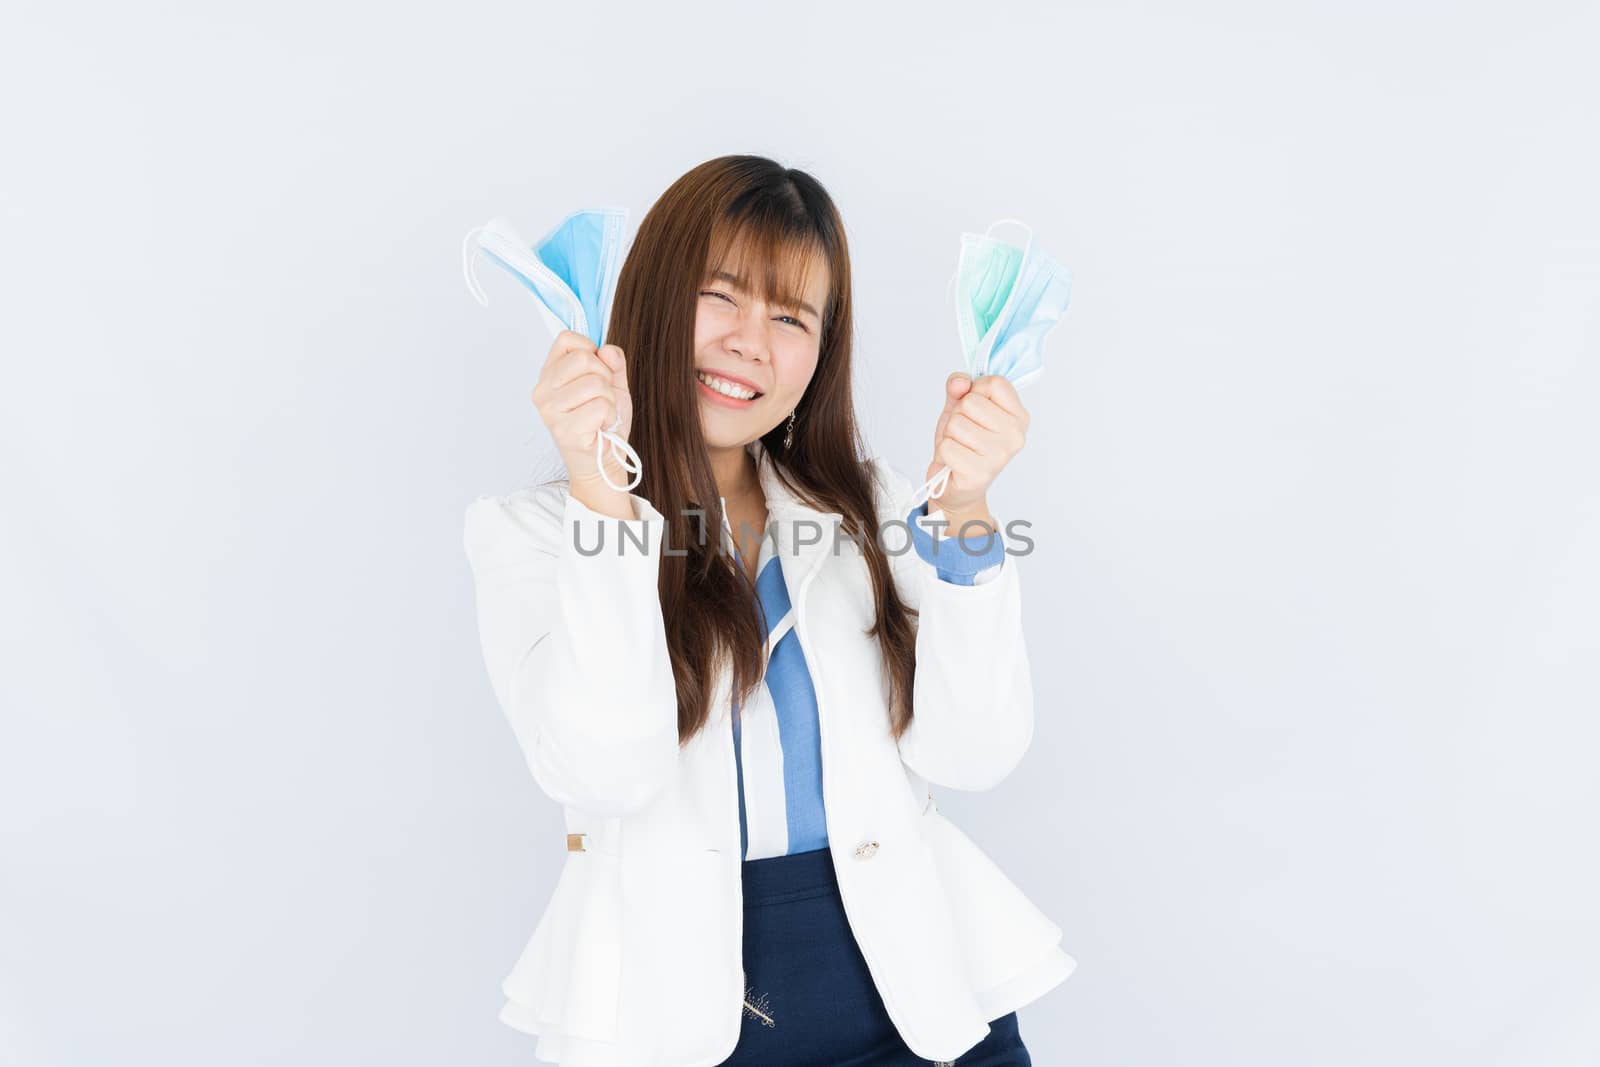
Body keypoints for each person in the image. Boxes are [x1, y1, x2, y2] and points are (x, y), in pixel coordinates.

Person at [462, 154, 1075, 1067]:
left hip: (918, 1004)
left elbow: (971, 752)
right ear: (655, 301)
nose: (752, 341)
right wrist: (601, 487)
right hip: (675, 1022)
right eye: (722, 296)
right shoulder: (534, 533)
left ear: (821, 351)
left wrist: (969, 511)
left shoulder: (870, 507)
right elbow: (605, 770)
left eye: (791, 317)